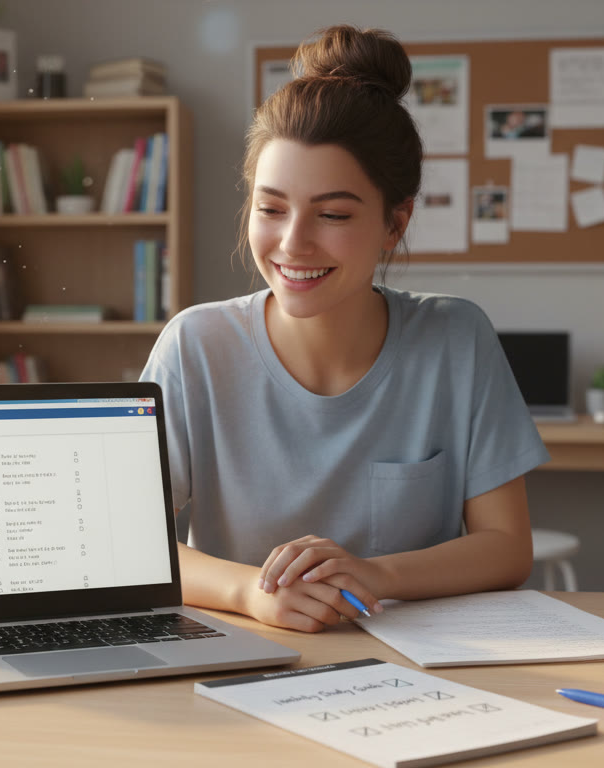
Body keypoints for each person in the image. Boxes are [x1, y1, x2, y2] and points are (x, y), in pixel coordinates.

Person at [139, 24, 548, 634]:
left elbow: (507, 546)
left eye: (332, 214)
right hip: (244, 656)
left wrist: (376, 575)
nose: (293, 243)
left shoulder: (456, 340)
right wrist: (247, 590)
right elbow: (129, 546)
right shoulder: (195, 347)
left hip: (415, 669)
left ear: (394, 222)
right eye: (271, 208)